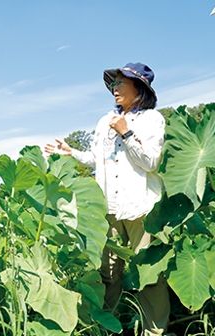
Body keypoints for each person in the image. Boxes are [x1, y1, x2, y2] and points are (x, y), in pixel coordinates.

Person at [45, 62, 169, 336]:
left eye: (121, 83)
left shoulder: (152, 119)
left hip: (140, 208)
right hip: (108, 208)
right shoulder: (104, 120)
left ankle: (153, 331)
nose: (114, 88)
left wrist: (126, 132)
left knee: (148, 275)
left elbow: (150, 162)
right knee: (108, 273)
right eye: (113, 83)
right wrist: (71, 152)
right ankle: (110, 326)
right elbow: (96, 159)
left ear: (139, 88)